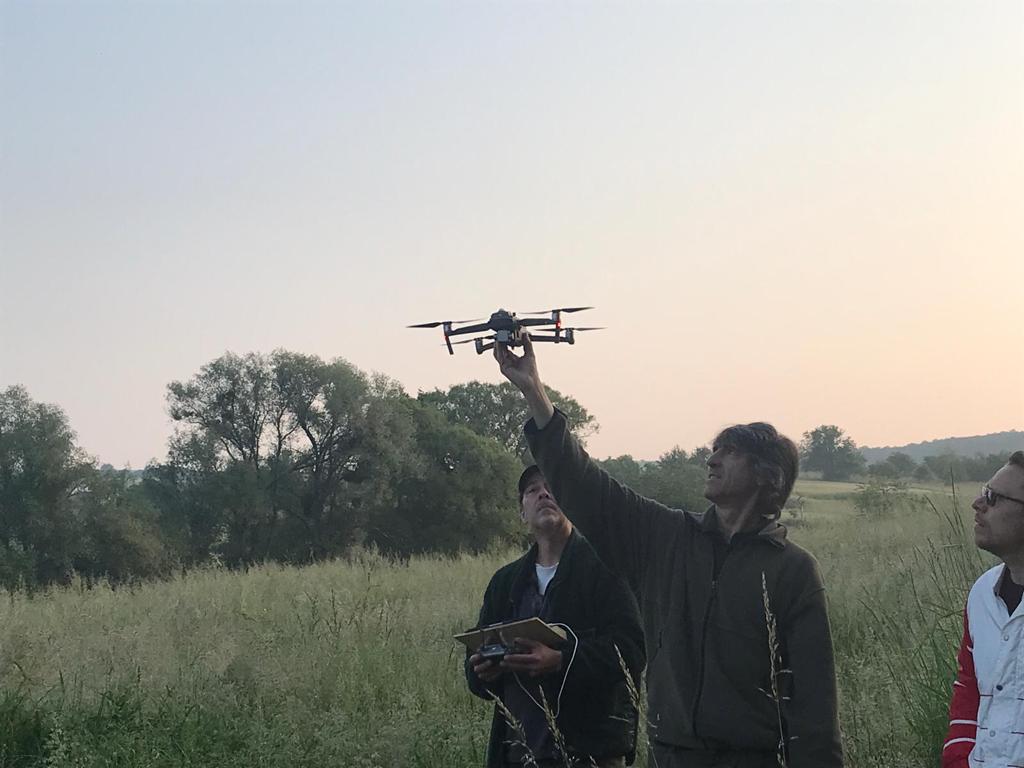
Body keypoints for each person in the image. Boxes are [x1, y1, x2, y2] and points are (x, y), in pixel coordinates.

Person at [493, 335, 843, 768]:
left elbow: (816, 709)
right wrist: (533, 391)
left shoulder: (793, 570)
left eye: (730, 452)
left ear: (767, 477)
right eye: (714, 450)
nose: (712, 460)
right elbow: (587, 487)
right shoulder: (666, 538)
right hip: (671, 757)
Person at [465, 464, 646, 768]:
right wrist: (483, 669)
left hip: (590, 752)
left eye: (551, 487)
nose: (544, 493)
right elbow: (477, 671)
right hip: (518, 752)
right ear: (522, 512)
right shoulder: (505, 582)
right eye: (532, 490)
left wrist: (560, 660)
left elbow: (632, 650)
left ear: (572, 503)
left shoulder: (606, 569)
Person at [942, 450, 1024, 768]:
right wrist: (959, 758)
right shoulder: (983, 593)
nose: (978, 504)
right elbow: (969, 684)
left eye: (993, 497)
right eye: (982, 491)